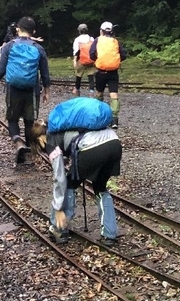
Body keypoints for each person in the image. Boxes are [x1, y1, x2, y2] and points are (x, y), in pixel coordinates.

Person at [32, 99, 121, 246]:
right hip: (114, 143)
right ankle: (109, 235)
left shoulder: (51, 141)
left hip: (92, 149)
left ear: (40, 138)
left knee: (69, 185)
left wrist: (58, 207)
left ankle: (59, 228)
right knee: (100, 188)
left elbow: (59, 178)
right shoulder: (73, 126)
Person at [0, 16, 50, 164]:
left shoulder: (9, 46)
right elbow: (44, 73)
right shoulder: (38, 48)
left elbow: (1, 70)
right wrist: (46, 91)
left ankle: (18, 143)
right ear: (34, 31)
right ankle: (30, 153)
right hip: (32, 90)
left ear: (18, 29)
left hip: (13, 89)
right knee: (30, 121)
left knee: (12, 119)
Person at [89, 21, 127, 128]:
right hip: (113, 72)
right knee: (113, 94)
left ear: (101, 30)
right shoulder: (115, 41)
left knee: (99, 93)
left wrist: (98, 60)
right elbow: (123, 55)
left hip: (101, 72)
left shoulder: (97, 40)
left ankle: (99, 116)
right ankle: (114, 120)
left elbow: (91, 54)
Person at [72, 23, 96, 97]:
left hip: (81, 60)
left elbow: (76, 51)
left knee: (78, 76)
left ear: (79, 31)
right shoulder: (91, 38)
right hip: (91, 60)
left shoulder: (77, 39)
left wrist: (74, 61)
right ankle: (91, 93)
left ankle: (77, 91)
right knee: (91, 77)